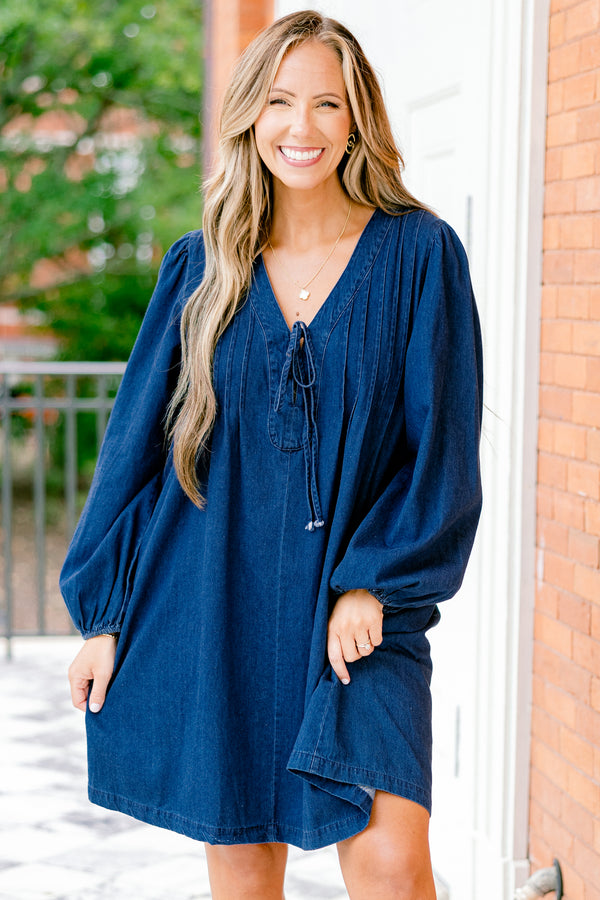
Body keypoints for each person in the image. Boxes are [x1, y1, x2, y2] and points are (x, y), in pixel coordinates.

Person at [61, 9, 483, 900]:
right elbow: (135, 454)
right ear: (251, 114)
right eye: (281, 101)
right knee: (247, 878)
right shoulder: (200, 268)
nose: (303, 126)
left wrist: (373, 581)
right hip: (219, 608)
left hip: (360, 619)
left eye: (327, 103)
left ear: (357, 119)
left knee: (393, 869)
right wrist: (103, 616)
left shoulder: (420, 256)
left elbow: (440, 449)